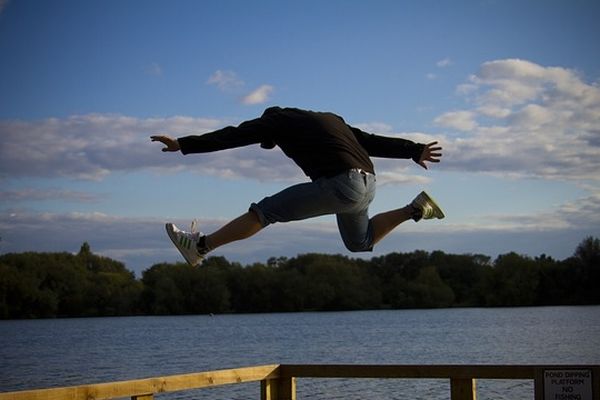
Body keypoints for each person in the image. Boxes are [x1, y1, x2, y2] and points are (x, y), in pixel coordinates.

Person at [151, 106, 444, 266]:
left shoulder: (274, 121)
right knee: (360, 242)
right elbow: (368, 140)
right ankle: (415, 209)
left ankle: (200, 247)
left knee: (265, 211)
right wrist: (413, 149)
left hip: (342, 184)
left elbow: (233, 136)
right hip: (368, 183)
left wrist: (184, 144)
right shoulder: (331, 119)